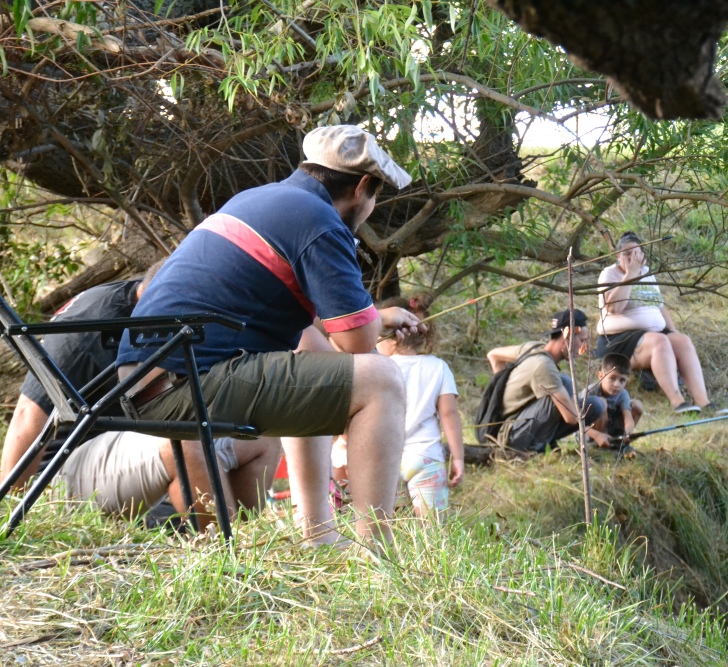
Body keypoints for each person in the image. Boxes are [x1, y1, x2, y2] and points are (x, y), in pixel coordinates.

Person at [115, 125, 421, 547]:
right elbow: (358, 344)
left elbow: (330, 338)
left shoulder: (259, 199)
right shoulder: (319, 221)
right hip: (182, 386)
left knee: (313, 354)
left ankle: (318, 533)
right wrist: (375, 321)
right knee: (381, 378)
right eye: (376, 195)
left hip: (146, 379)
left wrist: (377, 318)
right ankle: (378, 550)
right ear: (363, 186)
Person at [0, 264, 280, 525]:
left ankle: (235, 534)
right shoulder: (93, 323)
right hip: (62, 471)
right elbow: (28, 415)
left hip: (133, 448)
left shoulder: (177, 312)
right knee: (184, 439)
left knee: (260, 435)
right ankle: (224, 555)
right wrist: (15, 513)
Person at [596, 231, 726, 415]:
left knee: (682, 341)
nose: (631, 259)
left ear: (642, 256)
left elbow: (659, 305)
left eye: (636, 254)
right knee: (659, 341)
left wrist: (673, 330)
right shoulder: (609, 274)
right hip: (618, 341)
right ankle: (678, 402)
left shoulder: (647, 274)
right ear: (618, 256)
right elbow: (614, 308)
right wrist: (630, 275)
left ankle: (703, 401)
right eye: (626, 254)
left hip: (651, 335)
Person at [376, 295, 464, 517]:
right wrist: (458, 457)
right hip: (426, 455)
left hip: (384, 456)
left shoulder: (378, 367)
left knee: (385, 523)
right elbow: (449, 415)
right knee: (431, 529)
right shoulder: (439, 368)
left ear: (392, 338)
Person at [485, 309, 605, 454]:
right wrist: (596, 432)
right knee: (560, 391)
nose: (583, 348)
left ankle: (541, 442)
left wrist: (502, 389)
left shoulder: (532, 348)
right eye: (581, 341)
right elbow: (572, 418)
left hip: (518, 425)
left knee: (568, 387)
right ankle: (533, 448)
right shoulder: (544, 366)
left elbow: (493, 355)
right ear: (567, 337)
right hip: (509, 436)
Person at [585, 353, 644, 456]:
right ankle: (598, 445)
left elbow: (628, 418)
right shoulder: (590, 392)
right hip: (590, 434)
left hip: (611, 428)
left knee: (637, 405)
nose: (617, 385)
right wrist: (597, 436)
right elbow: (578, 425)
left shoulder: (623, 394)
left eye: (622, 380)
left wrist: (629, 433)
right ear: (601, 376)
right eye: (612, 378)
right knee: (601, 402)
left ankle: (619, 443)